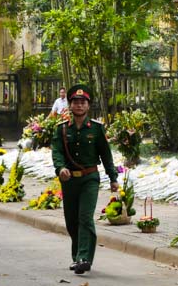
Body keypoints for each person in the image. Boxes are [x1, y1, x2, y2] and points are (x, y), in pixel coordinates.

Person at [51, 84, 118, 274]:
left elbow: (106, 155)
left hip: (90, 178)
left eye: (83, 102)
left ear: (88, 106)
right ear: (70, 105)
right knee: (71, 221)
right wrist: (60, 168)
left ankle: (84, 258)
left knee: (85, 217)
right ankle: (77, 257)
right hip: (69, 180)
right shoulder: (62, 129)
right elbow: (57, 152)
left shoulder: (96, 129)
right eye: (76, 102)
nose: (79, 106)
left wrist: (113, 178)